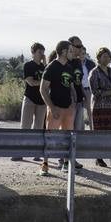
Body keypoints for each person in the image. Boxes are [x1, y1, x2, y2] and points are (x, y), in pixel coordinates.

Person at [39, 40, 75, 175]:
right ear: (64, 52)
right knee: (50, 137)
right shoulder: (52, 67)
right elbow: (43, 89)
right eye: (70, 51)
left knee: (67, 137)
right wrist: (52, 107)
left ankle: (65, 163)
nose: (73, 53)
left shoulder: (69, 67)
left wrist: (73, 104)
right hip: (55, 108)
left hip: (68, 109)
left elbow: (71, 87)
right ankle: (45, 164)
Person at [11, 42, 46, 161]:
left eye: (43, 52)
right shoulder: (28, 65)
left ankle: (36, 153)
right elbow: (30, 82)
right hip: (30, 98)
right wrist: (42, 84)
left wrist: (45, 64)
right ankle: (19, 152)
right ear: (33, 53)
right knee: (25, 126)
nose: (41, 54)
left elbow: (50, 81)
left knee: (39, 127)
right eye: (39, 52)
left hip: (42, 101)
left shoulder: (44, 67)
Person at [81, 46, 95, 129]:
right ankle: (80, 130)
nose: (82, 55)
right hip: (78, 90)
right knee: (79, 112)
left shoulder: (90, 63)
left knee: (90, 111)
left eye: (83, 53)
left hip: (88, 90)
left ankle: (92, 129)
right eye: (80, 53)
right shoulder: (74, 63)